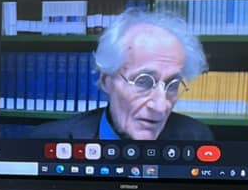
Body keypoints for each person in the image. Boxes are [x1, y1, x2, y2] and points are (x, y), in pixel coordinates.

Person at [29, 8, 212, 143]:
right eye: (144, 82)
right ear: (106, 80)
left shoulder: (197, 138)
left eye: (172, 84)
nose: (160, 106)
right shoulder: (48, 139)